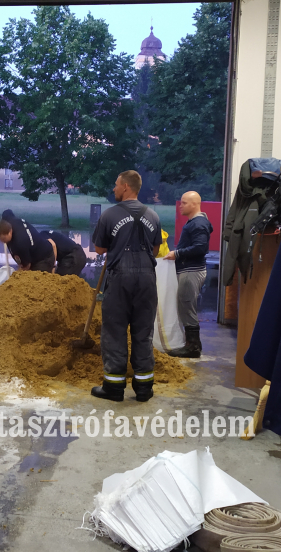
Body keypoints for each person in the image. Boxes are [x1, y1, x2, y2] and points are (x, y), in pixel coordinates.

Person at [91, 170, 162, 402]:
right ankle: (144, 389)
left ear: (125, 186)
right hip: (147, 279)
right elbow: (154, 250)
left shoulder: (109, 215)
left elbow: (99, 249)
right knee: (143, 332)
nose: (114, 188)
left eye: (116, 184)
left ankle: (113, 388)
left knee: (114, 332)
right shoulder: (153, 215)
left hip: (120, 279)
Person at [165, 191, 212, 358]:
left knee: (187, 306)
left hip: (191, 271)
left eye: (184, 203)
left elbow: (201, 248)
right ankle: (192, 344)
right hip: (190, 270)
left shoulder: (198, 224)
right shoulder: (196, 222)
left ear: (194, 204)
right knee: (186, 306)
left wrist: (177, 254)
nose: (180, 206)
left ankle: (193, 347)